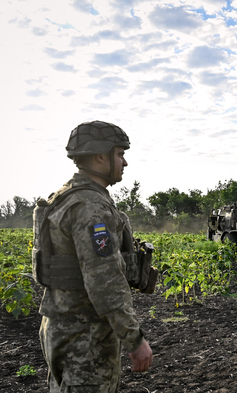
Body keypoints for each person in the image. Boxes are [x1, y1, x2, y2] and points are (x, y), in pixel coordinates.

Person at [33, 120, 153, 392]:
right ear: (101, 156)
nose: (124, 162)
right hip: (86, 334)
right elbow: (104, 280)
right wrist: (134, 339)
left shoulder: (63, 197)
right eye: (120, 154)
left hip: (58, 325)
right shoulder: (91, 206)